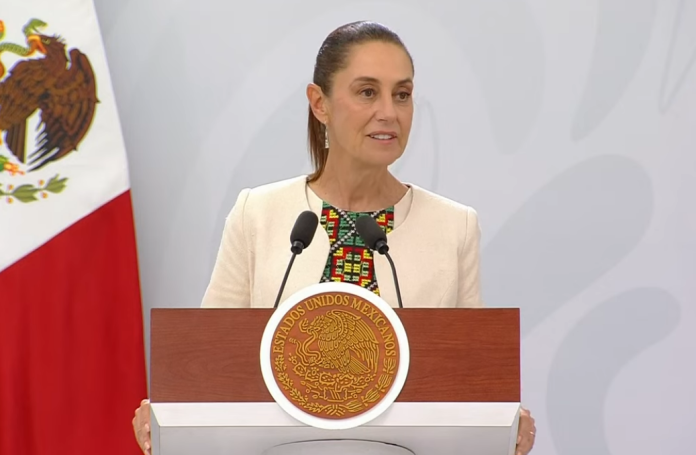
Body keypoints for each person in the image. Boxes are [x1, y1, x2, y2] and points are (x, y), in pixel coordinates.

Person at [133, 20, 536, 455]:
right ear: (319, 103)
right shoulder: (258, 213)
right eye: (368, 92)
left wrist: (505, 423)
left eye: (402, 94)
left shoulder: (454, 225)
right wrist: (167, 414)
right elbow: (210, 368)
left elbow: (469, 382)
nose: (389, 112)